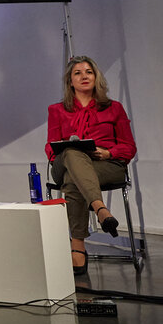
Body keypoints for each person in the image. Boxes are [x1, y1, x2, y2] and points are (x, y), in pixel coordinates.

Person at [45, 55, 136, 275]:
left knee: (72, 180)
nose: (84, 76)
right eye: (78, 73)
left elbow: (128, 147)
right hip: (64, 162)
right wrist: (67, 152)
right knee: (71, 152)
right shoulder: (56, 110)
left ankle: (78, 248)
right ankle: (101, 209)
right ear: (70, 81)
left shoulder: (114, 108)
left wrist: (108, 152)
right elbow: (50, 147)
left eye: (89, 72)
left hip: (107, 165)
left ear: (96, 77)